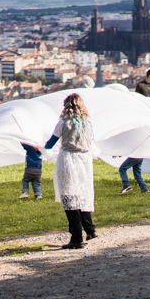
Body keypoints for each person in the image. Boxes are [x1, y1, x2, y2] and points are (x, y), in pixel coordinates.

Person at [44, 94, 98, 249]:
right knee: (83, 194)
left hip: (69, 159)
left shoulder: (63, 123)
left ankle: (76, 237)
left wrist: (43, 149)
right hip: (85, 161)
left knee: (69, 197)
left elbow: (51, 143)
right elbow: (91, 143)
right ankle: (90, 229)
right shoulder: (88, 123)